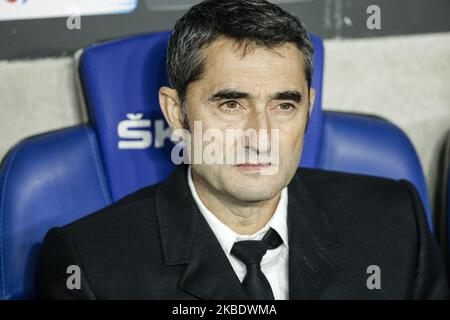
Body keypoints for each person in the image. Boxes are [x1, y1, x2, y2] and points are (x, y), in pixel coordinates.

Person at [36, 0, 448, 299]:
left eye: (284, 105)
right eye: (231, 104)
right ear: (176, 114)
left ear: (309, 110)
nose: (261, 135)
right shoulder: (91, 264)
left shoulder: (395, 221)